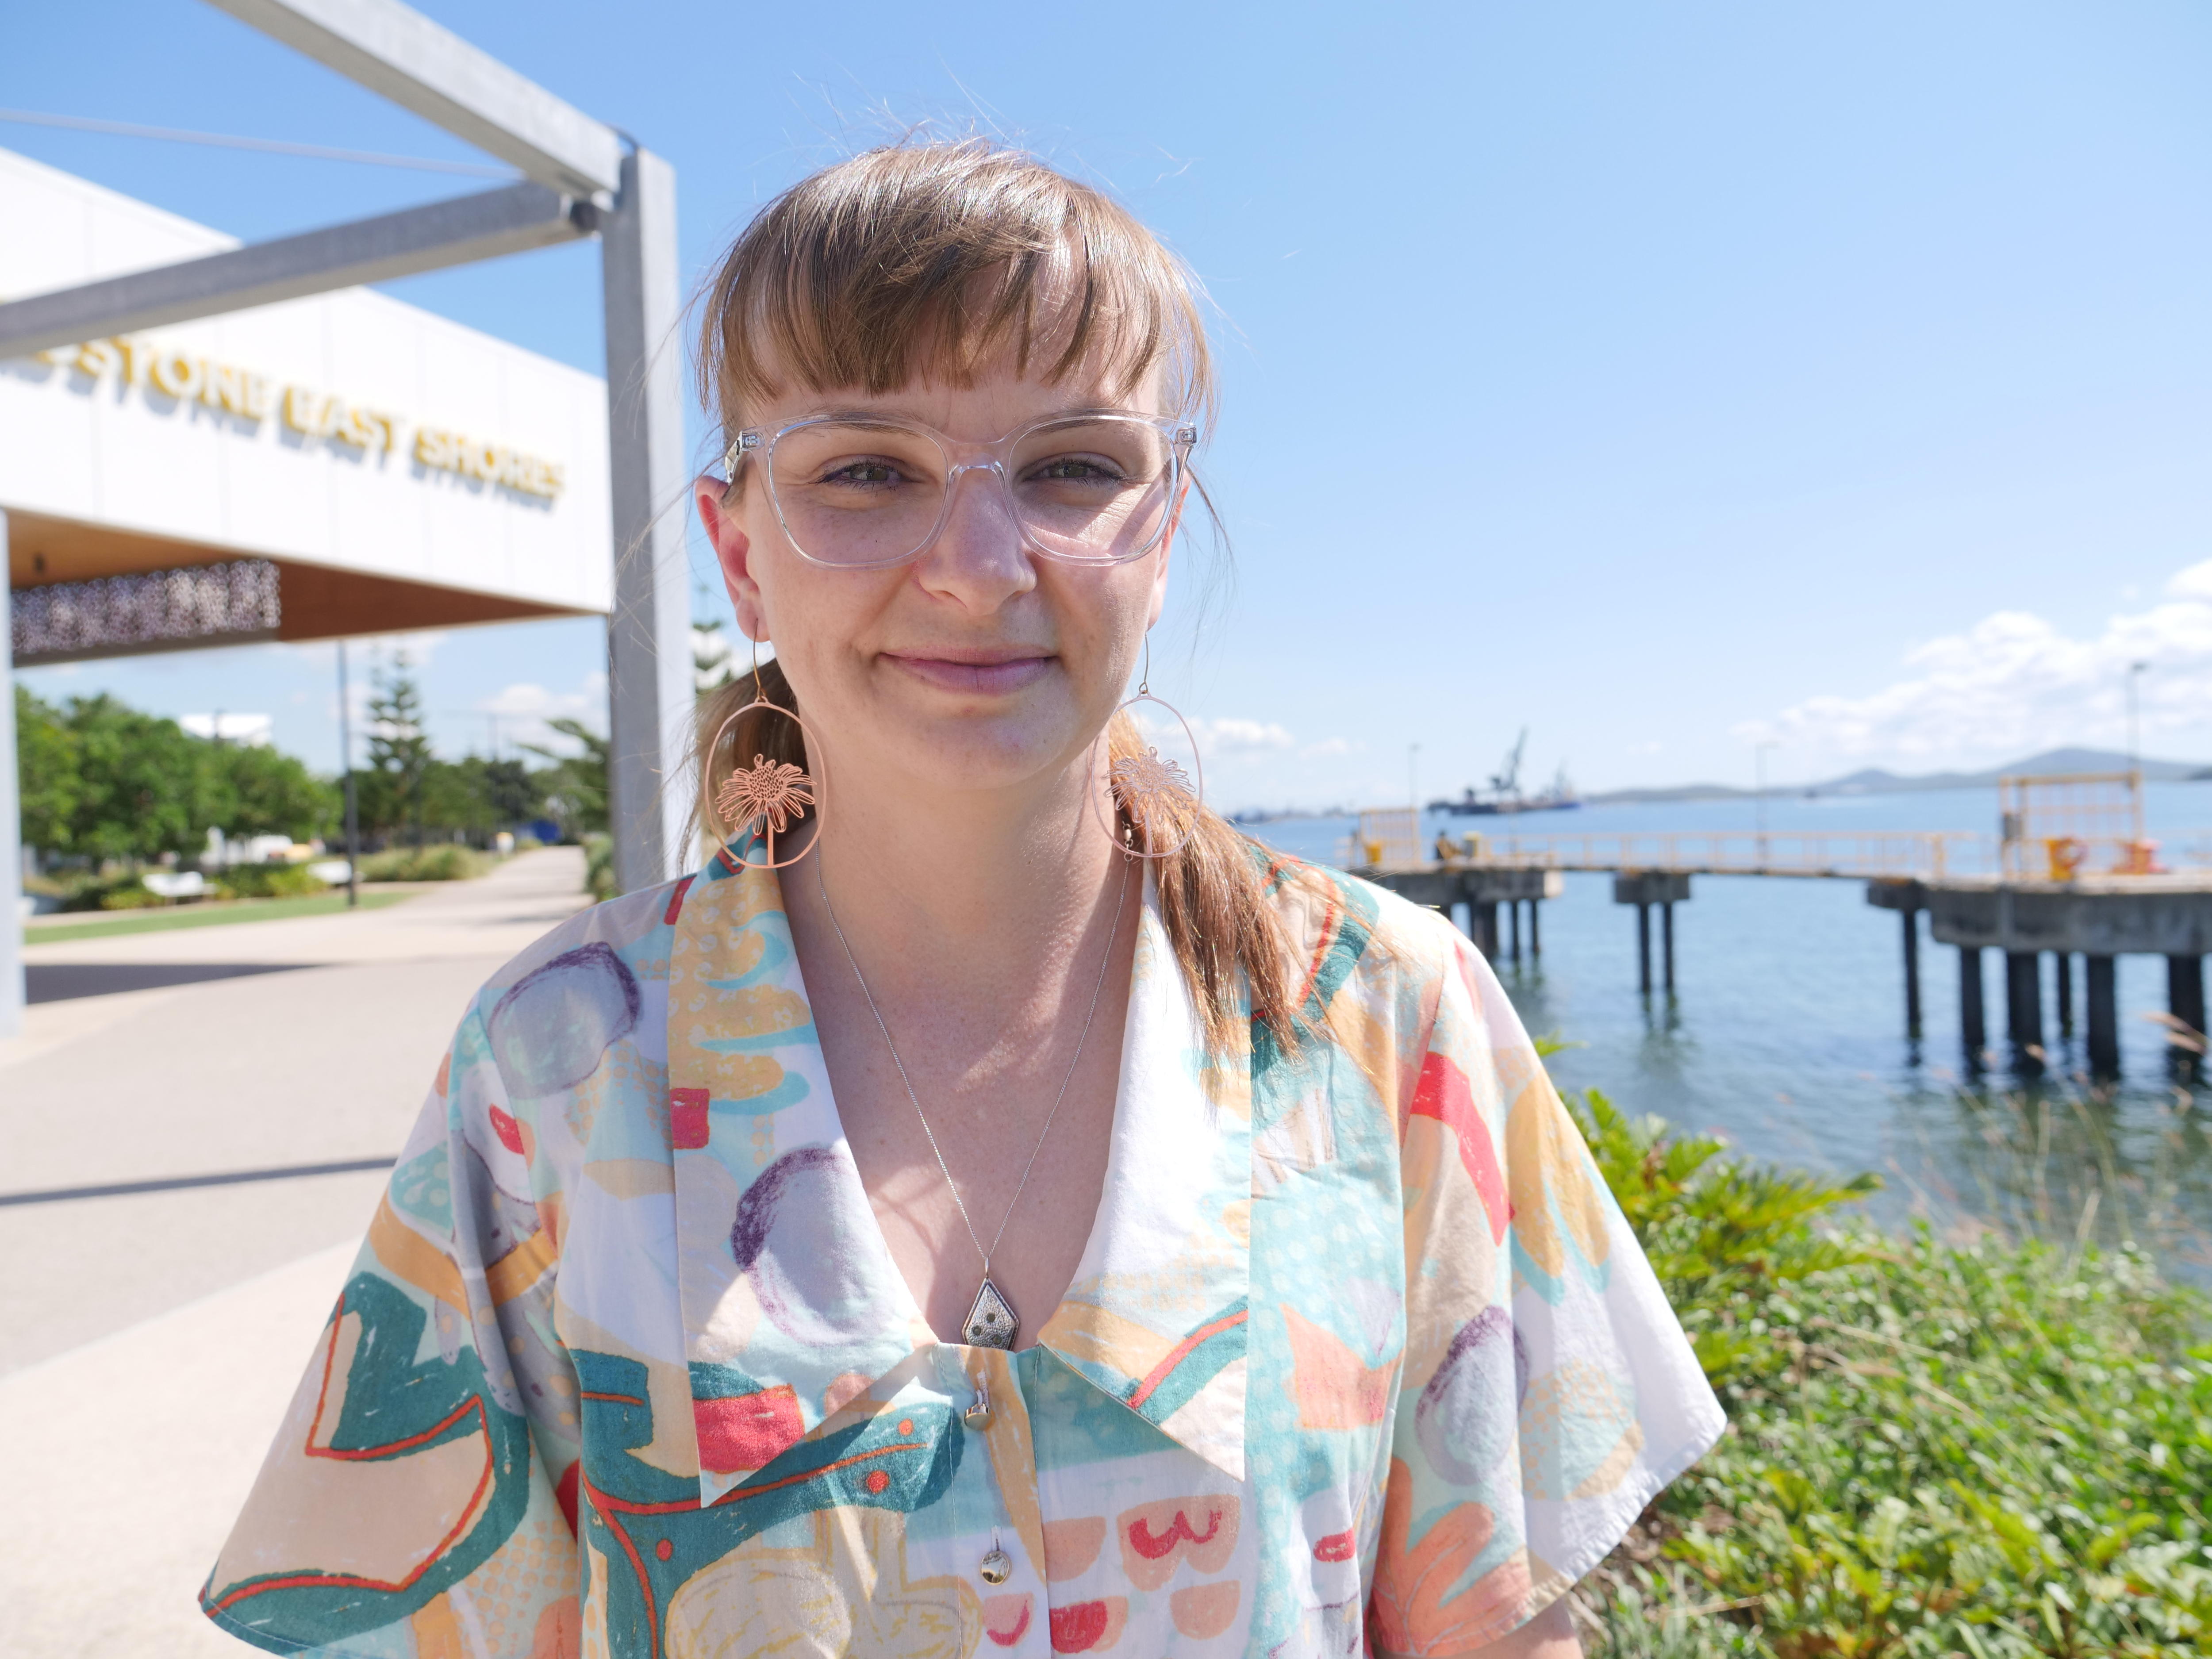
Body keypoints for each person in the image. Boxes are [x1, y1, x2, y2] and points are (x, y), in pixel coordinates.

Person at [203, 139, 1723, 1659]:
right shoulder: (556, 1063)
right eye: (867, 471)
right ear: (741, 556)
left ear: (1163, 531)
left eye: (1075, 467)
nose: (982, 566)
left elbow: (1496, 1623)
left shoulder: (1387, 1013)